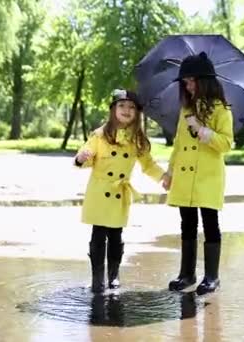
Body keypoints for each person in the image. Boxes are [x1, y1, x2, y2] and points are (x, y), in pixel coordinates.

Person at [75, 89, 168, 293]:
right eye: (122, 105)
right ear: (113, 110)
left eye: (132, 107)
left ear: (137, 113)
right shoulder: (99, 135)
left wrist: (163, 177)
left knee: (116, 235)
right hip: (99, 192)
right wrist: (81, 158)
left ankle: (114, 275)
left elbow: (148, 165)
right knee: (98, 235)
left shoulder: (137, 140)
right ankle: (97, 279)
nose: (127, 110)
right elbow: (85, 158)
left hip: (120, 193)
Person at [162, 52, 234, 295]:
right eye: (185, 82)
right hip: (184, 177)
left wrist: (203, 130)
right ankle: (187, 274)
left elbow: (226, 144)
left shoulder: (221, 110)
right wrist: (170, 172)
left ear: (204, 81)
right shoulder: (185, 111)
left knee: (210, 224)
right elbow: (179, 145)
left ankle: (212, 276)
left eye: (191, 81)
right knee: (187, 224)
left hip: (207, 177)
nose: (188, 86)